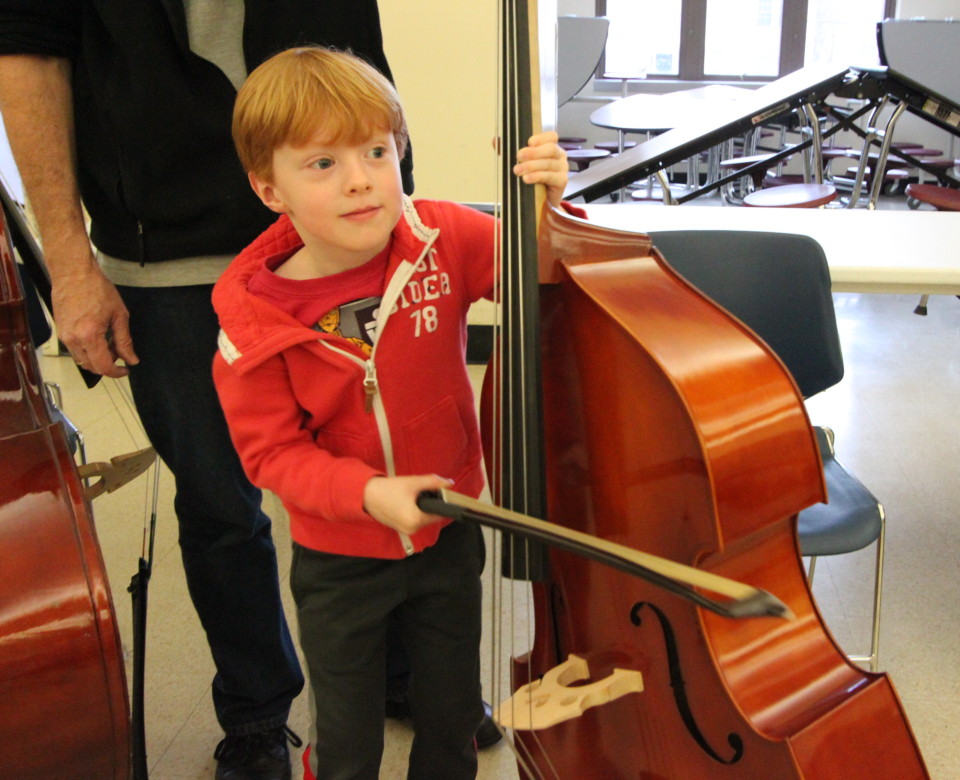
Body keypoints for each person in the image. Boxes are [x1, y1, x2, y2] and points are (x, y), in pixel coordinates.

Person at [0, 4, 417, 778]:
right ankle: (257, 711)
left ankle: (393, 672)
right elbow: (28, 50)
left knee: (376, 469)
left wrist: (398, 210)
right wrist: (69, 263)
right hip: (166, 256)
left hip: (337, 238)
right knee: (221, 507)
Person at [214, 46, 570, 780]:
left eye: (378, 151)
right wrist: (366, 495)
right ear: (267, 188)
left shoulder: (441, 239)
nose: (360, 180)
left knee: (451, 720)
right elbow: (271, 457)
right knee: (348, 739)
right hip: (340, 559)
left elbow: (544, 269)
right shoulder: (250, 326)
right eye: (322, 164)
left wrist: (548, 200)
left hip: (447, 536)